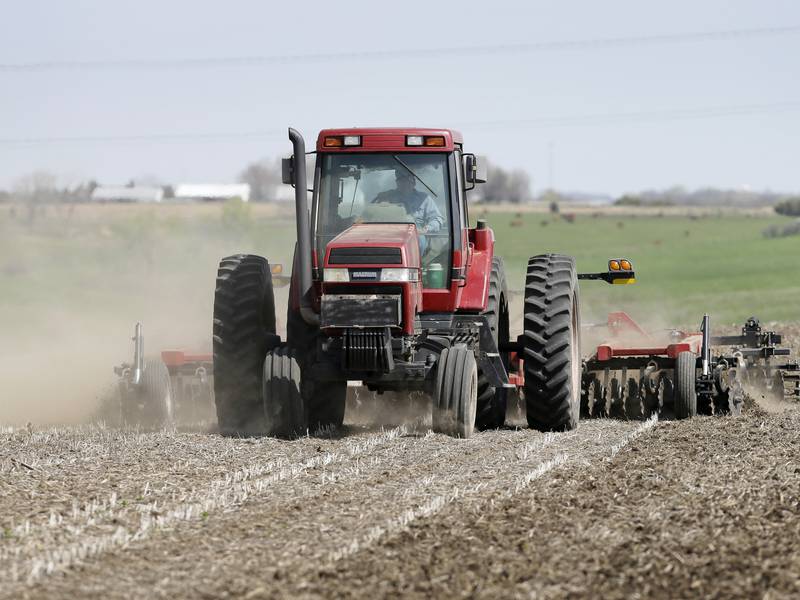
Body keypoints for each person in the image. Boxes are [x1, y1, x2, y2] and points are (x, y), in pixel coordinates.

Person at [372, 169, 445, 243]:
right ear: (397, 182)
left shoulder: (424, 199)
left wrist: (425, 229)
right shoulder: (387, 197)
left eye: (408, 179)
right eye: (402, 180)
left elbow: (437, 219)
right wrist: (381, 200)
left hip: (417, 235)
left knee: (419, 240)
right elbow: (371, 216)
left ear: (414, 182)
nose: (405, 183)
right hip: (390, 234)